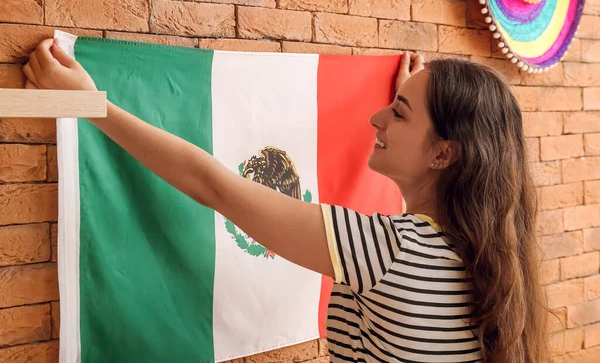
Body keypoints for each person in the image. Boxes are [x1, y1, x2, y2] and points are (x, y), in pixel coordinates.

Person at [23, 38, 548, 362]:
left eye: (400, 113)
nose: (376, 118)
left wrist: (86, 102)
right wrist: (415, 112)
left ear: (443, 154)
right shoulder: (482, 254)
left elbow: (212, 185)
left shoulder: (388, 251)